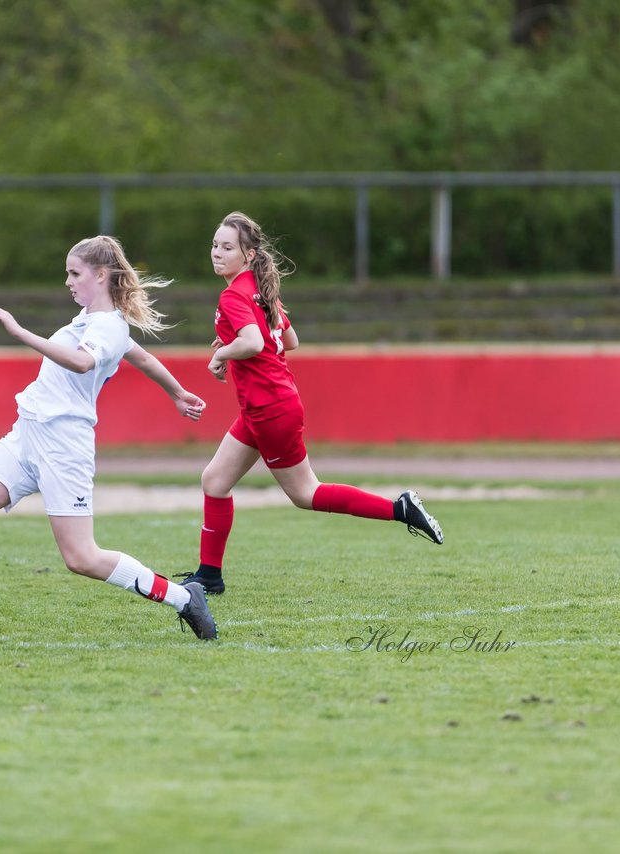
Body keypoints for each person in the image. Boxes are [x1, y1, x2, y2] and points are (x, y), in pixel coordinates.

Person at [0, 235, 218, 644]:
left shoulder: (107, 325)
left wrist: (20, 331)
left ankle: (184, 598)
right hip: (27, 433)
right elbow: (143, 357)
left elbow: (83, 362)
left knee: (81, 558)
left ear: (101, 275)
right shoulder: (90, 320)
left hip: (64, 445)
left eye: (75, 273)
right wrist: (176, 392)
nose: (67, 281)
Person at [177, 211, 443, 596]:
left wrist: (222, 355)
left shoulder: (234, 294)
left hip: (270, 410)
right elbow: (288, 341)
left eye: (227, 247)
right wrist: (232, 346)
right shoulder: (258, 288)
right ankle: (209, 575)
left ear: (248, 255)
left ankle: (399, 508)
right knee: (214, 481)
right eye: (215, 245)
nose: (217, 253)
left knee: (306, 494)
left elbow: (252, 342)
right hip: (265, 407)